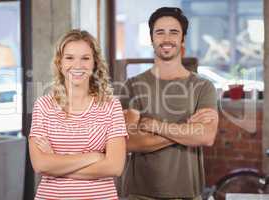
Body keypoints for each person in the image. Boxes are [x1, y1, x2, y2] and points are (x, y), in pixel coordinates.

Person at [119, 7, 219, 200]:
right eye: (159, 32)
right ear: (152, 39)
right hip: (140, 194)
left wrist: (155, 126)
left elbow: (206, 136)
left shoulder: (203, 87)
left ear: (182, 40)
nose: (166, 39)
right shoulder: (132, 85)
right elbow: (128, 142)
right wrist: (187, 129)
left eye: (174, 32)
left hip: (188, 194)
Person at [28, 29, 128, 200]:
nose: (78, 65)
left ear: (95, 63)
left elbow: (115, 167)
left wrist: (56, 162)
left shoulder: (111, 106)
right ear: (59, 63)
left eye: (85, 58)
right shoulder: (43, 106)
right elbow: (40, 164)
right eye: (69, 58)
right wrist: (94, 157)